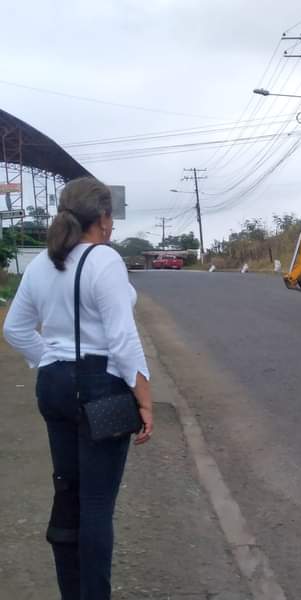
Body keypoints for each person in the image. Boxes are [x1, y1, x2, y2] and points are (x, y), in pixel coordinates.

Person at [3, 177, 153, 600]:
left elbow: (15, 329)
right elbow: (122, 340)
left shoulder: (41, 263)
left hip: (53, 386)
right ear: (103, 218)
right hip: (101, 387)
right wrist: (145, 400)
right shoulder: (105, 260)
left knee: (68, 494)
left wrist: (51, 360)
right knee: (97, 504)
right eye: (111, 217)